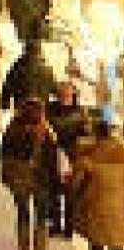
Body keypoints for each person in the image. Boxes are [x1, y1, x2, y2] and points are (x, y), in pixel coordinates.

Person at [0, 98, 60, 250]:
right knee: (41, 217)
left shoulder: (12, 129)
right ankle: (40, 247)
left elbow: (4, 154)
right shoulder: (46, 131)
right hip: (41, 180)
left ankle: (23, 246)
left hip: (19, 179)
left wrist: (6, 176)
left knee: (22, 213)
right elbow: (52, 160)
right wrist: (54, 182)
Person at [46, 82, 91, 238]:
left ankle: (69, 227)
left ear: (73, 95)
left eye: (68, 94)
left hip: (73, 156)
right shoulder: (50, 109)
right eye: (62, 94)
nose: (65, 96)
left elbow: (86, 135)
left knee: (70, 193)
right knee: (53, 192)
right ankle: (56, 224)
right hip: (52, 154)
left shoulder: (80, 112)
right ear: (57, 95)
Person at [71, 120, 124, 250]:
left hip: (96, 206)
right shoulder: (121, 150)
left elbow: (77, 183)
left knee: (96, 243)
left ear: (96, 134)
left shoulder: (90, 153)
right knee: (116, 243)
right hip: (119, 208)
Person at [2, 40, 58, 113]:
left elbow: (8, 85)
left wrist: (4, 103)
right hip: (39, 107)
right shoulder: (46, 68)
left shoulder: (18, 66)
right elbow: (53, 88)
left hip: (24, 106)